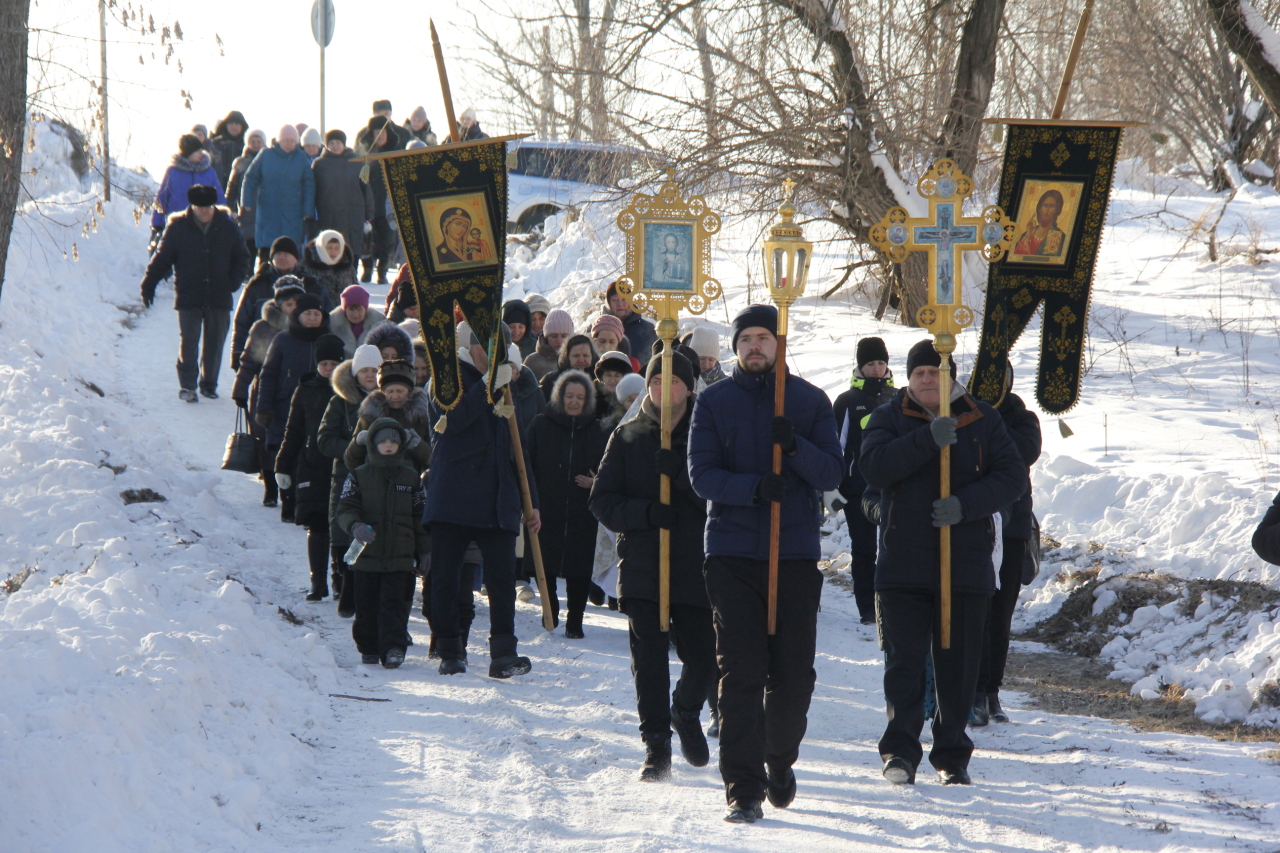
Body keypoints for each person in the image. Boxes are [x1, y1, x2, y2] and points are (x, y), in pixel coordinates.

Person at [688, 304, 843, 823]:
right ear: (735, 347)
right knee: (741, 674)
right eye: (746, 339)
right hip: (731, 554)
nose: (754, 346)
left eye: (763, 338)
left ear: (779, 344)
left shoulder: (809, 401)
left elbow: (831, 473)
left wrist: (794, 447)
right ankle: (743, 788)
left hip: (793, 554)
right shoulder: (714, 402)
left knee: (794, 676)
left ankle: (778, 758)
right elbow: (702, 475)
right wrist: (755, 488)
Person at [859, 339, 1026, 788]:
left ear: (950, 376)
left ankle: (952, 753)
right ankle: (900, 750)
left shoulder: (981, 418)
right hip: (903, 566)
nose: (927, 379)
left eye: (935, 371)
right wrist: (926, 439)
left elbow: (1012, 476)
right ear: (908, 379)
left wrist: (966, 505)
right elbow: (873, 468)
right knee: (904, 665)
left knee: (959, 667)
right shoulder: (889, 417)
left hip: (964, 566)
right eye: (919, 373)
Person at [590, 350, 719, 781]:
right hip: (644, 563)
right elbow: (602, 501)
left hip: (696, 563)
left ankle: (686, 710)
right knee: (648, 659)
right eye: (657, 382)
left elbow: (720, 496)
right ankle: (656, 746)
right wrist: (646, 514)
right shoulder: (628, 435)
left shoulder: (706, 433)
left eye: (674, 382)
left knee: (703, 656)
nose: (664, 390)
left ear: (689, 388)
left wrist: (681, 477)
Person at [425, 324, 537, 679]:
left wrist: (531, 502)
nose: (493, 354)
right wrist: (487, 384)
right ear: (470, 347)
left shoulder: (504, 383)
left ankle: (503, 652)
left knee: (502, 581)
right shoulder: (446, 377)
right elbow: (454, 421)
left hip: (498, 497)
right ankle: (449, 649)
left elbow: (518, 448)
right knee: (446, 578)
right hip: (453, 495)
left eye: (500, 347)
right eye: (488, 346)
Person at [972, 361, 1042, 726]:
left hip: (1012, 529)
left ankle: (991, 691)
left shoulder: (1021, 417)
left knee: (1000, 616)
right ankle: (971, 689)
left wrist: (990, 421)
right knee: (975, 613)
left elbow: (1025, 452)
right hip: (975, 526)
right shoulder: (964, 413)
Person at [139, 184, 250, 402]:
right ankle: (188, 386)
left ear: (214, 206)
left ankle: (209, 384)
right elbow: (162, 258)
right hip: (189, 294)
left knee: (214, 343)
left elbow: (242, 257)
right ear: (192, 207)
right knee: (189, 342)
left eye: (207, 207)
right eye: (199, 208)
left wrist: (232, 282)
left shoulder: (228, 227)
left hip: (219, 295)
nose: (204, 211)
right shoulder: (178, 228)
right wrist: (149, 283)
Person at [336, 417, 430, 669]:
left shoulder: (411, 478)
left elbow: (420, 516)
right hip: (366, 555)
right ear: (372, 444)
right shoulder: (358, 475)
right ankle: (368, 647)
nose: (388, 445)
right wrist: (354, 525)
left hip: (401, 556)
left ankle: (393, 648)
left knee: (395, 604)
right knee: (366, 604)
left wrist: (425, 551)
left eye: (393, 441)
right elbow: (345, 507)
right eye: (382, 441)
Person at [526, 370, 607, 638]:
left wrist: (595, 482)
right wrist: (530, 500)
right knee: (545, 562)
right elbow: (526, 465)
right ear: (560, 397)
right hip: (547, 507)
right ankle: (550, 611)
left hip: (583, 512)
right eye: (569, 396)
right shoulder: (541, 425)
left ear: (588, 400)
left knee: (579, 568)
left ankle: (575, 621)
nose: (574, 402)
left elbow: (610, 470)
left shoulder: (599, 430)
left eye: (580, 398)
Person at [828, 336, 896, 624]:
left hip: (893, 486)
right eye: (870, 364)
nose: (877, 368)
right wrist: (831, 486)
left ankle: (893, 606)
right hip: (857, 488)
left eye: (881, 362)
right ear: (860, 367)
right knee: (865, 549)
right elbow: (835, 445)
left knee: (894, 549)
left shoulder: (899, 397)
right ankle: (867, 608)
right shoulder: (847, 401)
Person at [275, 333, 346, 600]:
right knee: (317, 525)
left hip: (342, 465)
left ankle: (340, 579)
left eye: (333, 364)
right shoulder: (305, 390)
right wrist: (282, 464)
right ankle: (318, 581)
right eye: (324, 364)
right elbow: (293, 430)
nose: (328, 369)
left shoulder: (348, 390)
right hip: (312, 465)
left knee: (341, 525)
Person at [254, 294, 333, 522]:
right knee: (286, 454)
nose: (313, 318)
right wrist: (264, 406)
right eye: (308, 313)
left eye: (317, 314)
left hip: (317, 408)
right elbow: (268, 374)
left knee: (308, 458)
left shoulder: (329, 340)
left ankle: (304, 502)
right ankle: (286, 501)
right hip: (284, 407)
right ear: (297, 315)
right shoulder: (283, 339)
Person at [319, 344, 382, 616]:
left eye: (374, 370)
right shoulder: (340, 402)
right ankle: (342, 582)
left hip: (379, 480)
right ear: (355, 373)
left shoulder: (389, 400)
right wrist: (355, 447)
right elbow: (324, 440)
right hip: (347, 476)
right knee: (343, 529)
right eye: (364, 370)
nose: (369, 375)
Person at [230, 236, 327, 370]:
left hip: (302, 356)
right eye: (278, 253)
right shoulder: (257, 285)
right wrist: (237, 353)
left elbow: (326, 320)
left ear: (296, 258)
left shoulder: (311, 286)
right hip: (262, 355)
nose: (282, 257)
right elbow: (242, 322)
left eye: (286, 253)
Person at [240, 125, 316, 263]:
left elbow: (309, 185)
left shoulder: (301, 158)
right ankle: (265, 271)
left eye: (292, 141)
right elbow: (250, 178)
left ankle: (291, 273)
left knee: (291, 248)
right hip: (268, 211)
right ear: (279, 140)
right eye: (286, 141)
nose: (289, 144)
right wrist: (247, 201)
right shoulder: (266, 155)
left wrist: (308, 210)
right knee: (267, 248)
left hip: (293, 212)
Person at [344, 359, 432, 474]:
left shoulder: (422, 416)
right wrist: (358, 443)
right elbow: (350, 462)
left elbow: (434, 459)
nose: (395, 396)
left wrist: (417, 445)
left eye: (400, 391)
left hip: (410, 480)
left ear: (409, 391)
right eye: (390, 391)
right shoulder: (370, 414)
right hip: (374, 480)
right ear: (383, 392)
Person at [149, 134, 225, 251]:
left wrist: (225, 219)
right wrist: (156, 222)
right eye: (197, 151)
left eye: (201, 150)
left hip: (204, 225)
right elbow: (162, 197)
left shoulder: (209, 172)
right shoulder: (173, 172)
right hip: (177, 224)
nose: (201, 153)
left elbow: (219, 196)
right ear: (188, 153)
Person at [354, 115, 404, 284]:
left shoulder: (395, 153)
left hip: (388, 204)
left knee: (387, 240)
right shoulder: (364, 153)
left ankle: (382, 271)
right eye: (377, 132)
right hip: (368, 204)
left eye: (383, 132)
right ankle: (367, 269)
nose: (380, 136)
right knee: (367, 239)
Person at [312, 129, 374, 258]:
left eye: (338, 142)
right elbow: (314, 191)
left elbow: (366, 187)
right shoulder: (319, 165)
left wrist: (369, 213)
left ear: (344, 144)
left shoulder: (357, 162)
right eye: (331, 143)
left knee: (353, 251)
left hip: (354, 215)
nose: (335, 146)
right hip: (329, 216)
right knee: (332, 251)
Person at [226, 128, 266, 259]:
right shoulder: (240, 163)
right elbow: (232, 189)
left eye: (259, 141)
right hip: (246, 214)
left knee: (265, 254)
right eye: (252, 142)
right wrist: (228, 209)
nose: (256, 144)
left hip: (267, 215)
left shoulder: (270, 162)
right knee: (248, 253)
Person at [302, 230, 359, 307]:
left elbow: (355, 291)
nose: (333, 252)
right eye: (329, 248)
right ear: (321, 247)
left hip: (342, 311)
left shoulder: (347, 267)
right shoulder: (307, 267)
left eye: (337, 248)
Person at [604, 281, 657, 358]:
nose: (620, 304)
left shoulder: (647, 329)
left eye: (624, 299)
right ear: (608, 302)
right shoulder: (596, 329)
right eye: (615, 300)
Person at [329, 285, 385, 358]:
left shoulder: (380, 326)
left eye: (359, 309)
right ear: (345, 309)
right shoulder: (331, 325)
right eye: (351, 309)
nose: (355, 315)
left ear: (365, 309)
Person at [539, 334, 597, 400]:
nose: (581, 360)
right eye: (576, 356)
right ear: (567, 357)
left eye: (585, 356)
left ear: (592, 357)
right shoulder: (551, 380)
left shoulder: (600, 381)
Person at [1012, 189, 1067, 259]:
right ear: (1039, 208)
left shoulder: (1060, 236)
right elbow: (1016, 258)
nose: (1047, 210)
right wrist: (1027, 237)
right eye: (1045, 205)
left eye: (1051, 206)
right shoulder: (1025, 235)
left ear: (1056, 210)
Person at [524, 309, 573, 381]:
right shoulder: (532, 361)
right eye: (554, 336)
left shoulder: (578, 358)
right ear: (546, 337)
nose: (559, 341)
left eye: (564, 336)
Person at [208, 110, 248, 188]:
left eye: (237, 124)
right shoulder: (214, 144)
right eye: (231, 123)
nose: (234, 127)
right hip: (216, 186)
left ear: (242, 126)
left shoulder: (248, 146)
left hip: (240, 188)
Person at [593, 350, 632, 431]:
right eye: (608, 375)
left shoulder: (632, 399)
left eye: (617, 375)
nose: (612, 380)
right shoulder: (592, 399)